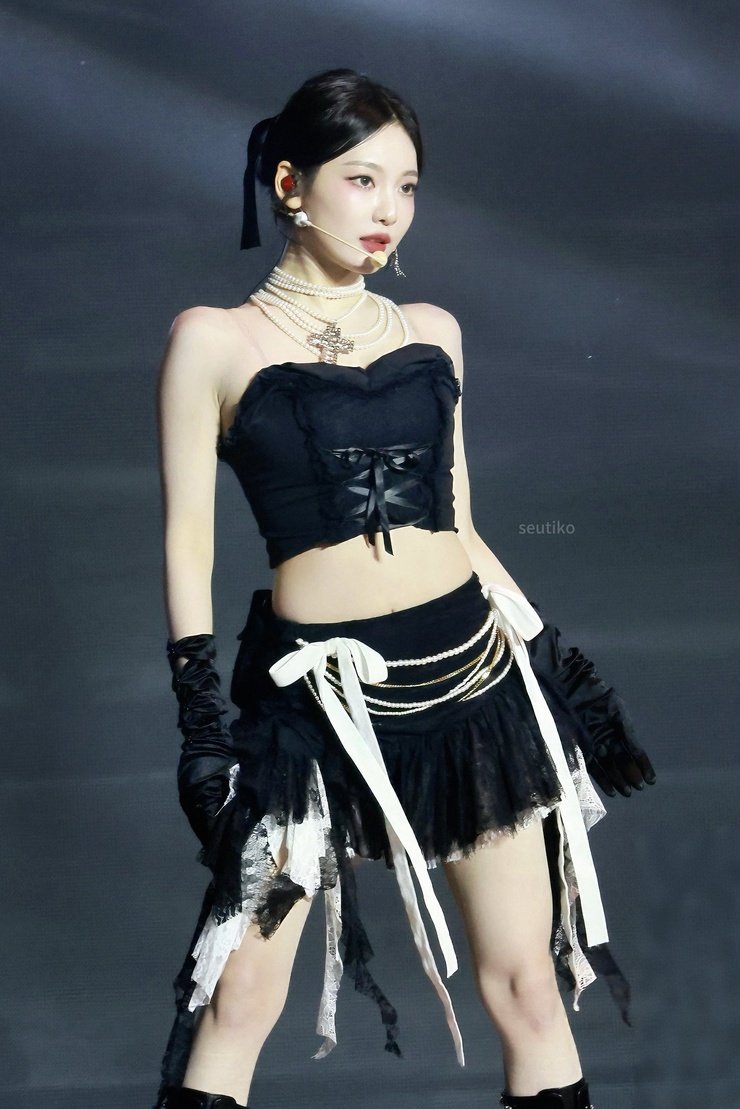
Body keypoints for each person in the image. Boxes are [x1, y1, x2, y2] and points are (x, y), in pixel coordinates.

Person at [154, 68, 655, 1109]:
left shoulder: (432, 331)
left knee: (527, 983)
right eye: (361, 179)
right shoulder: (213, 339)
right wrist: (200, 717)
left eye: (408, 186)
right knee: (239, 996)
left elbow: (459, 522)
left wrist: (552, 659)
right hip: (313, 704)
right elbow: (187, 538)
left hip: (470, 680)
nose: (388, 209)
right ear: (289, 184)